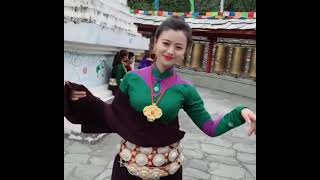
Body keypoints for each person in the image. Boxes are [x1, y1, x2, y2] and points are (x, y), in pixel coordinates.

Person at [64, 16, 256, 180]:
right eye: (166, 43)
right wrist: (81, 99)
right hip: (128, 169)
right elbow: (113, 115)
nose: (171, 51)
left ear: (185, 52)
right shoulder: (131, 79)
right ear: (155, 43)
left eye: (179, 47)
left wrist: (240, 113)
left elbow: (210, 128)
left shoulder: (186, 90)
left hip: (167, 171)